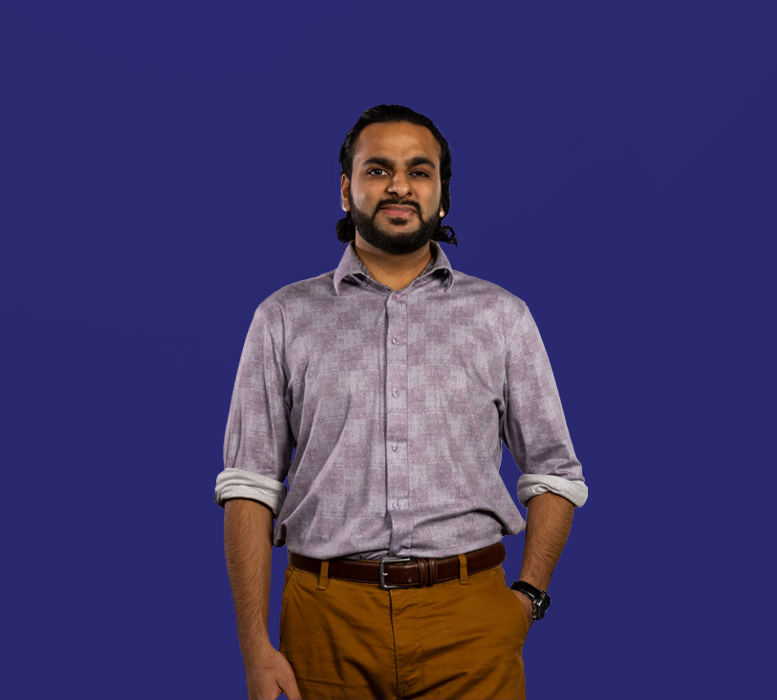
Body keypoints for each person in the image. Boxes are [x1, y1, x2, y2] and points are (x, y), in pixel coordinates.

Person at [214, 104, 587, 700]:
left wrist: (527, 598)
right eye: (378, 169)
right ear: (346, 190)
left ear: (442, 196)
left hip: (471, 619)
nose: (399, 186)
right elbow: (249, 486)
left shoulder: (501, 318)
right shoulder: (283, 318)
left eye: (419, 171)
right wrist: (254, 645)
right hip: (325, 621)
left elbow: (555, 473)